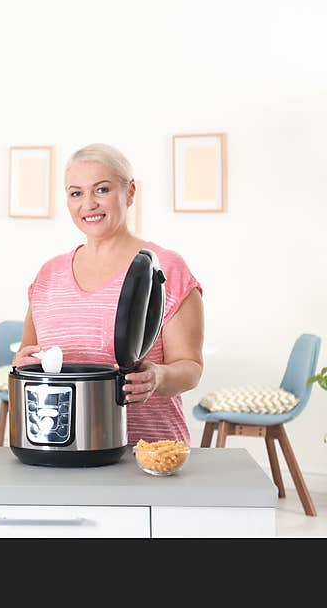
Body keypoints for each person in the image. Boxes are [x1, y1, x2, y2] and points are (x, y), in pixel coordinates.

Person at [12, 143, 204, 445]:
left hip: (147, 452)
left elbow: (190, 367)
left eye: (101, 189)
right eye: (76, 193)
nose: (88, 203)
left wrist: (160, 378)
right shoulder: (48, 275)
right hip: (61, 449)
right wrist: (22, 364)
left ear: (129, 193)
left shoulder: (166, 268)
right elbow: (27, 358)